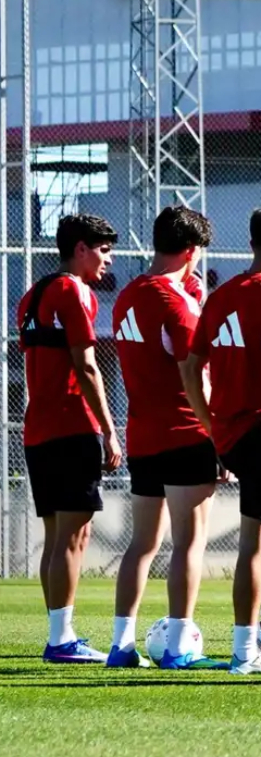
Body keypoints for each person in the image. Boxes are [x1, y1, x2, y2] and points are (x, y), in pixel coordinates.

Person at [185, 205, 261, 676]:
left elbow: (192, 367)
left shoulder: (221, 296)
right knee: (255, 542)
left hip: (232, 431)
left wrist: (209, 423)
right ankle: (244, 652)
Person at [106, 208, 222, 669]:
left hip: (142, 433)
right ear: (192, 252)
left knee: (142, 544)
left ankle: (121, 644)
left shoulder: (129, 295)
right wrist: (218, 430)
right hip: (184, 431)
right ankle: (178, 647)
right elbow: (194, 372)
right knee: (188, 544)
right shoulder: (176, 302)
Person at [21, 213, 122, 663]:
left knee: (56, 537)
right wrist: (108, 429)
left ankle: (59, 633)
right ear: (79, 249)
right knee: (73, 538)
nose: (108, 259)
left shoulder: (32, 294)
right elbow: (86, 366)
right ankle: (61, 641)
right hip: (71, 426)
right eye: (101, 249)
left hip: (38, 429)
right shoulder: (74, 291)